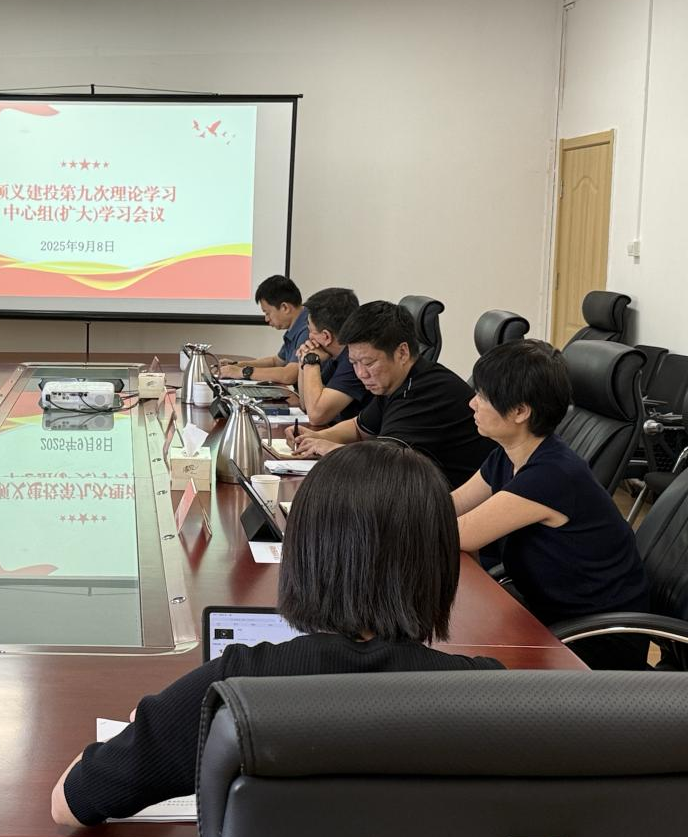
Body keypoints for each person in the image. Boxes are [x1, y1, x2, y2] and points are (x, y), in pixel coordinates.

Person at [50, 442, 504, 827]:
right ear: (440, 564)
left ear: (305, 554)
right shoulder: (493, 695)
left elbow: (69, 803)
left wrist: (153, 727)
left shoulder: (232, 690)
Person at [452, 339, 650, 669]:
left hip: (592, 642)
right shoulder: (507, 456)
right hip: (547, 616)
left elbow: (459, 533)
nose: (472, 403)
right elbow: (453, 504)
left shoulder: (552, 475)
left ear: (520, 411)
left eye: (483, 396)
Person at [286, 300, 494, 488]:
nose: (361, 373)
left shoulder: (427, 391)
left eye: (368, 363)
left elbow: (384, 465)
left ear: (402, 352)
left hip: (449, 501)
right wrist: (315, 437)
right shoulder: (395, 382)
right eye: (354, 363)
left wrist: (329, 448)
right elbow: (359, 428)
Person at [293, 286, 369, 425]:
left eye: (311, 331)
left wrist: (311, 361)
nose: (309, 338)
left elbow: (316, 416)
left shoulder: (354, 361)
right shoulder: (334, 355)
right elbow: (305, 404)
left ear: (326, 336)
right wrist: (303, 359)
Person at [216, 275, 309, 386]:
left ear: (285, 307)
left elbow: (289, 375)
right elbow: (277, 362)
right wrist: (238, 365)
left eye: (267, 313)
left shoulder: (307, 328)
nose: (266, 319)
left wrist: (241, 372)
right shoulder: (296, 325)